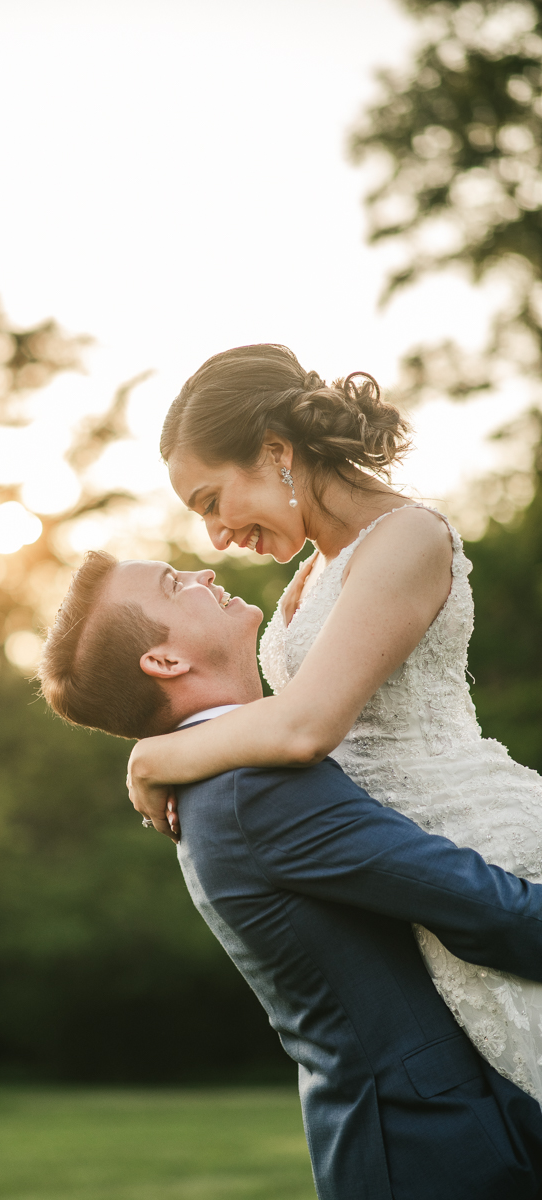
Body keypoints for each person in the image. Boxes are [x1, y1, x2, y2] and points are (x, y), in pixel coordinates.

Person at [37, 551, 542, 1200]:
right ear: (164, 662)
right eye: (174, 585)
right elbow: (484, 910)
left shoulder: (226, 774)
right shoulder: (252, 787)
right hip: (432, 1146)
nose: (203, 575)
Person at [126, 343, 542, 1102]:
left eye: (212, 500)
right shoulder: (313, 571)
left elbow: (303, 727)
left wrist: (151, 759)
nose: (216, 537)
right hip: (407, 868)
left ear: (277, 452)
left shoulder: (407, 538)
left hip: (485, 850)